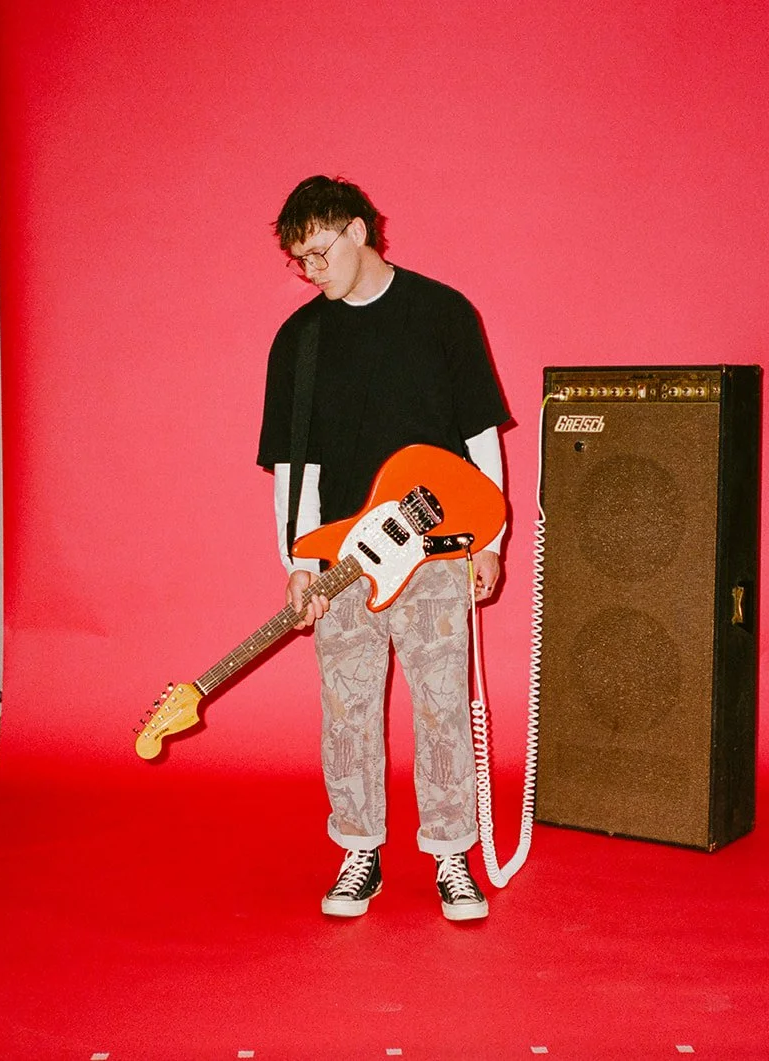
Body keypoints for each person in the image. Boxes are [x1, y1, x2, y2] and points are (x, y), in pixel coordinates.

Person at [256, 175, 509, 922]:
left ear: (360, 230)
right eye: (300, 260)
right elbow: (294, 468)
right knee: (348, 711)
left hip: (437, 551)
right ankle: (359, 849)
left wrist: (489, 539)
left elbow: (479, 438)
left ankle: (453, 854)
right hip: (342, 563)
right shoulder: (299, 341)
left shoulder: (443, 313)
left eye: (320, 252)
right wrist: (298, 564)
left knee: (443, 708)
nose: (312, 271)